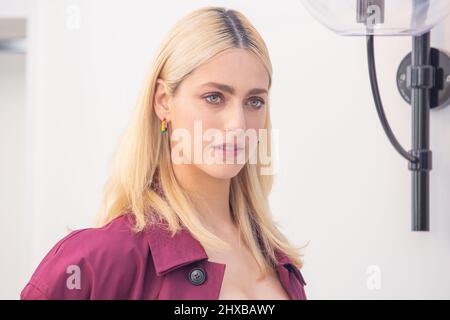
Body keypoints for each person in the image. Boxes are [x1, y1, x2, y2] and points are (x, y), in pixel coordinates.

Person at [20, 6, 307, 300]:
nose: (238, 124)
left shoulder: (279, 260)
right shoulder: (94, 263)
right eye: (214, 97)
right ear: (163, 102)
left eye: (254, 101)